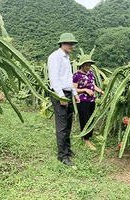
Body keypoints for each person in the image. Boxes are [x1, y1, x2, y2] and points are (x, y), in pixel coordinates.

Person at [47, 33, 80, 166]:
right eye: (70, 43)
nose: (72, 46)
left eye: (73, 44)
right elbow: (54, 79)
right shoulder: (55, 57)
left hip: (67, 92)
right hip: (60, 94)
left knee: (68, 123)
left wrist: (74, 93)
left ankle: (67, 148)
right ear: (62, 43)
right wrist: (60, 95)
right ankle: (62, 155)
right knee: (61, 126)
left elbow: (68, 78)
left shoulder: (67, 58)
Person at [73, 54, 104, 150]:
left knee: (91, 118)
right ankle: (85, 139)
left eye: (89, 65)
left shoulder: (90, 73)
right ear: (81, 65)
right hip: (82, 101)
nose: (88, 67)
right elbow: (74, 89)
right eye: (86, 65)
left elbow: (93, 85)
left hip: (92, 100)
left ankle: (89, 135)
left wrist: (101, 91)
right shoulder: (76, 75)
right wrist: (85, 90)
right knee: (85, 119)